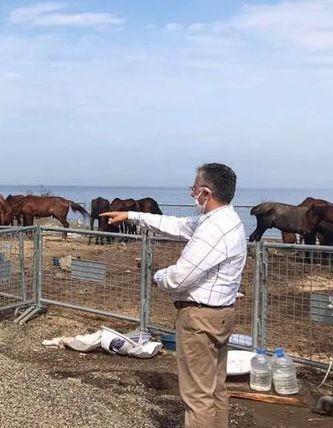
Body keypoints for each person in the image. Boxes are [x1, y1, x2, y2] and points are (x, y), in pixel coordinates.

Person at [101, 163, 247, 428]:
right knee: (215, 388)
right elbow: (176, 225)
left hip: (200, 318)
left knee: (197, 396)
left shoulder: (214, 229)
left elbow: (181, 276)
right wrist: (132, 216)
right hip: (220, 315)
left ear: (205, 193)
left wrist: (158, 276)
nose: (192, 195)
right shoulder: (225, 221)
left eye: (194, 190)